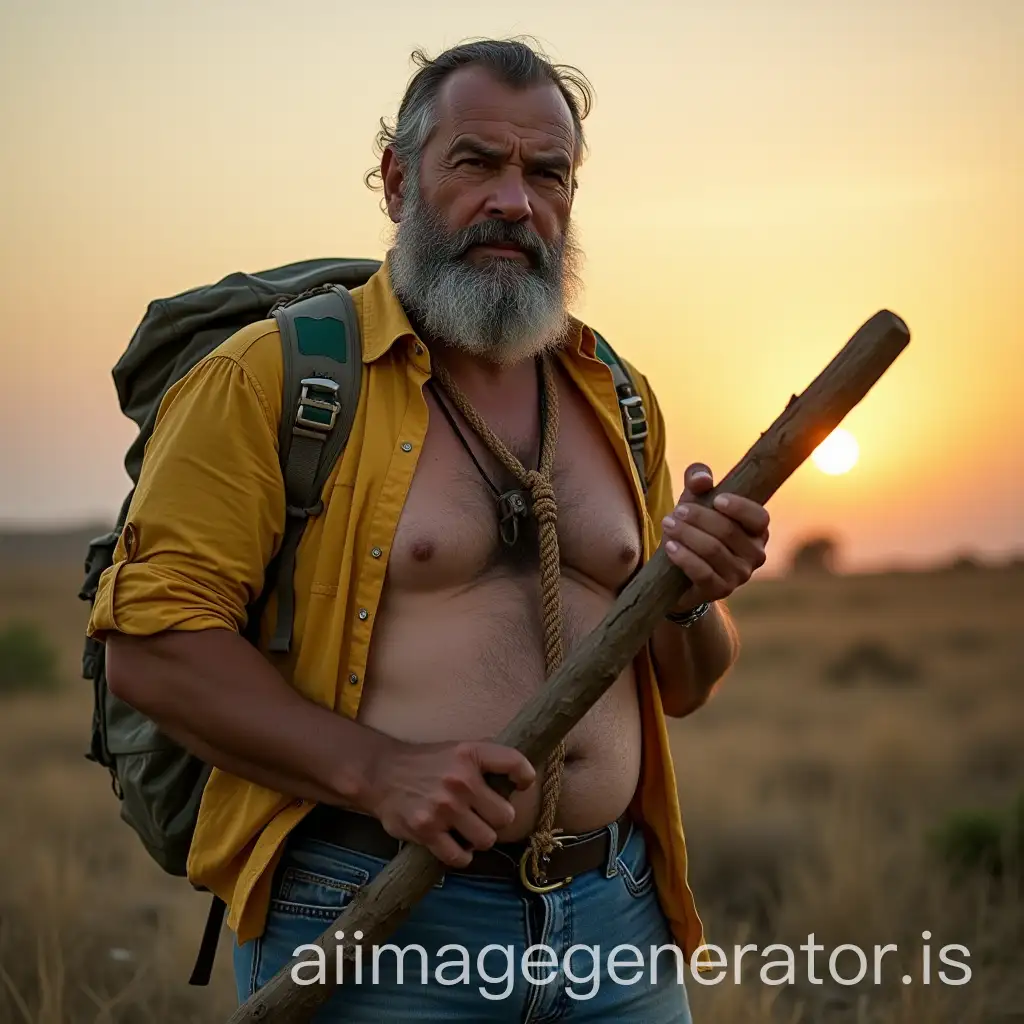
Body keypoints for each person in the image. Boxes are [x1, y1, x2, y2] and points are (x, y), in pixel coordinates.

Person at [88, 38, 770, 1022]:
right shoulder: (272, 379)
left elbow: (686, 684)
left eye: (546, 173)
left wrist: (695, 590)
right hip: (374, 918)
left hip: (617, 922)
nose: (513, 200)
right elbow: (150, 652)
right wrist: (382, 772)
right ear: (398, 178)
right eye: (476, 162)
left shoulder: (613, 392)